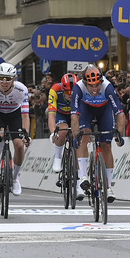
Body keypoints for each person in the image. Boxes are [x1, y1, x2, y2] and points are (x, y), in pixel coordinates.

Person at [71, 65, 126, 203]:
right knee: (84, 136)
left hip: (104, 110)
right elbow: (74, 116)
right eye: (91, 86)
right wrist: (76, 134)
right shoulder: (78, 88)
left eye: (97, 85)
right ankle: (83, 176)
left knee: (106, 145)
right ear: (85, 84)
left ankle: (108, 186)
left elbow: (119, 113)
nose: (95, 89)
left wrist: (119, 134)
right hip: (86, 110)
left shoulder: (108, 87)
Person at [0, 62, 31, 195]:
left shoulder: (22, 89)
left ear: (14, 79)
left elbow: (25, 116)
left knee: (20, 146)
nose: (4, 82)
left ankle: (15, 178)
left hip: (15, 115)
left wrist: (26, 134)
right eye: (1, 78)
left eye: (8, 79)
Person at [48, 73, 85, 201]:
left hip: (76, 115)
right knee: (62, 131)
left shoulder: (81, 89)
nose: (70, 94)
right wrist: (54, 132)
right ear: (62, 89)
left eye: (72, 91)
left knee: (78, 144)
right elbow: (51, 114)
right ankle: (58, 157)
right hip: (61, 115)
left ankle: (80, 181)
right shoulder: (55, 90)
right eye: (67, 91)